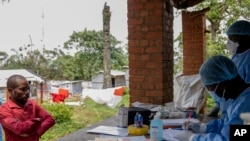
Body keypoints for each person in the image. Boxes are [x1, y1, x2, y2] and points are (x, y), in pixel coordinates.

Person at [174, 55, 250, 141]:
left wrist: (193, 138)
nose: (211, 92)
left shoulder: (246, 105)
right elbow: (227, 123)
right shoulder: (239, 98)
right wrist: (204, 128)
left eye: (211, 88)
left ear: (223, 83)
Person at [208, 20, 250, 117]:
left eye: (233, 38)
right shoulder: (235, 57)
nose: (230, 42)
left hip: (243, 112)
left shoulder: (248, 60)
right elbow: (225, 85)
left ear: (246, 37)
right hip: (230, 111)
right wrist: (218, 104)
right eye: (229, 38)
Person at [0, 75, 55, 141]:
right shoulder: (4, 110)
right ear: (10, 91)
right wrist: (36, 121)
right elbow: (20, 129)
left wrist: (37, 132)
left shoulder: (32, 104)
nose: (27, 92)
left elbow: (50, 119)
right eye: (22, 89)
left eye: (28, 89)